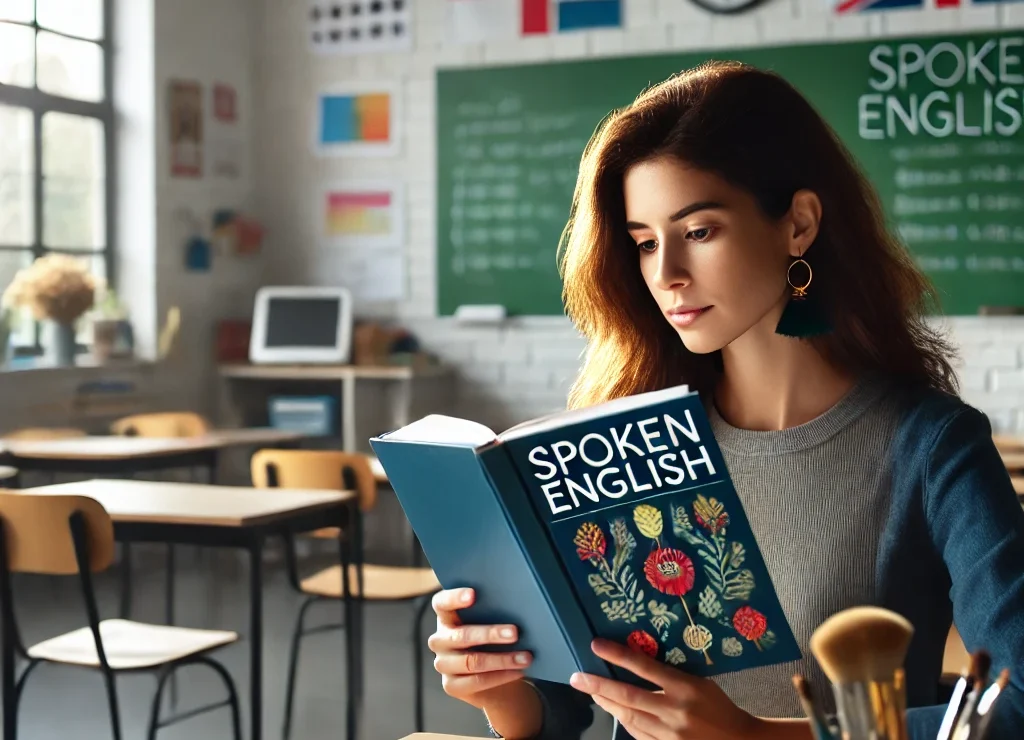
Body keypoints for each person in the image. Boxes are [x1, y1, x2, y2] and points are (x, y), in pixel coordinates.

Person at [427, 61, 1024, 740]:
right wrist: (497, 686)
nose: (667, 275)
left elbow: (1017, 706)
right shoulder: (623, 442)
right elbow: (564, 711)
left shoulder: (933, 447)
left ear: (798, 225)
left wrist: (759, 737)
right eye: (645, 243)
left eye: (699, 231)